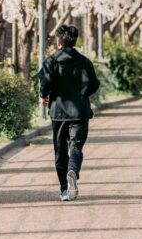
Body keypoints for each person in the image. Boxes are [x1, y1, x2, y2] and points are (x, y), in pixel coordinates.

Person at [38, 23, 100, 201]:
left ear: (58, 41)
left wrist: (44, 96)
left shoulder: (51, 61)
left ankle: (64, 189)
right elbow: (94, 85)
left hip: (58, 113)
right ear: (75, 41)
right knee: (76, 146)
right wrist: (81, 95)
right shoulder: (84, 61)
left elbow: (45, 84)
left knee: (60, 151)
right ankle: (73, 170)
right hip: (80, 112)